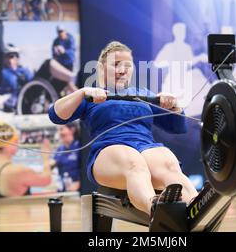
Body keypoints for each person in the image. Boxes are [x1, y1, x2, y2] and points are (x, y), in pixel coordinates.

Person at [48, 41, 198, 218]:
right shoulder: (93, 95)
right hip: (109, 150)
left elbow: (177, 126)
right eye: (116, 64)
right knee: (134, 162)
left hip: (145, 147)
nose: (122, 70)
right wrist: (82, 92)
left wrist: (174, 106)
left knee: (169, 164)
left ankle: (196, 207)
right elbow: (56, 114)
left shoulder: (143, 94)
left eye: (127, 65)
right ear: (101, 68)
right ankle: (155, 208)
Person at [0, 122, 52, 197]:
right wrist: (46, 157)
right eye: (16, 141)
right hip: (16, 208)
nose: (18, 144)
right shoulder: (19, 171)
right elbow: (46, 180)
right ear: (9, 144)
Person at [0, 44, 33, 112]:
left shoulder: (24, 71)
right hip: (5, 108)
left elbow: (36, 83)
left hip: (24, 106)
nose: (11, 59)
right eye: (8, 56)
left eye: (15, 56)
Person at [51, 123, 81, 192]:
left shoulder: (80, 147)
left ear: (72, 130)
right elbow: (52, 163)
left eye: (61, 129)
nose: (59, 133)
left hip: (79, 191)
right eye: (58, 130)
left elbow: (88, 169)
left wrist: (79, 183)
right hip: (63, 190)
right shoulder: (60, 149)